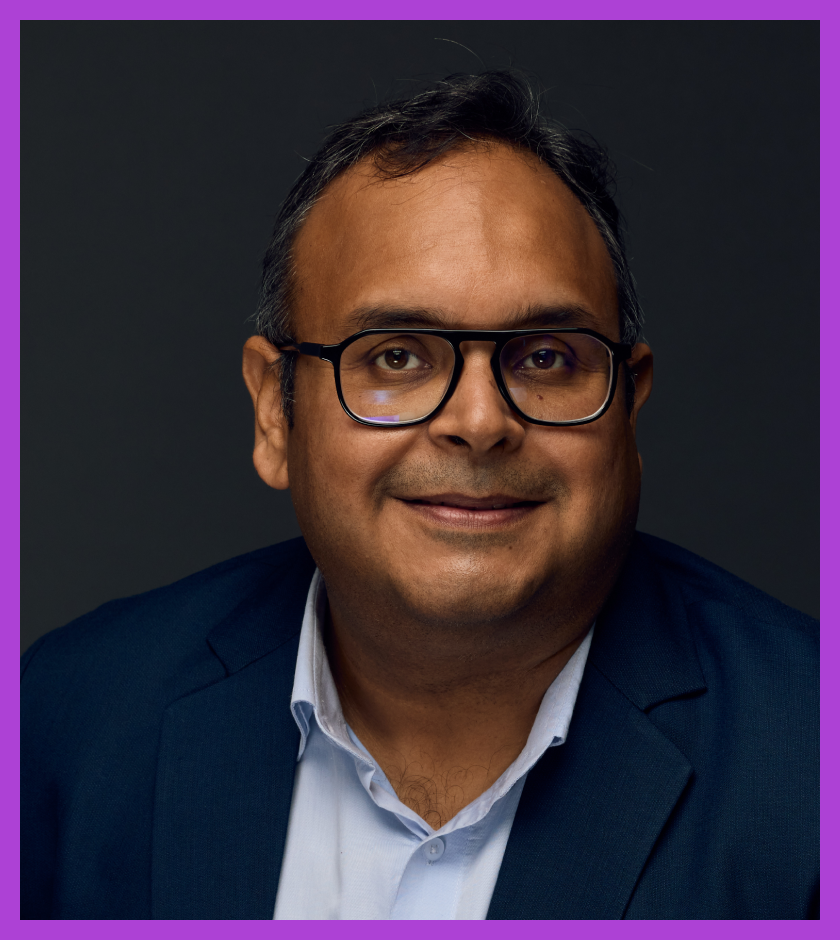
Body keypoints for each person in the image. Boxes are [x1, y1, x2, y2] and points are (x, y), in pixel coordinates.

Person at [21, 71, 818, 920]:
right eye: (396, 355)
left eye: (545, 357)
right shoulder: (66, 719)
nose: (479, 423)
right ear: (274, 413)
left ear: (628, 404)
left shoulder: (813, 770)